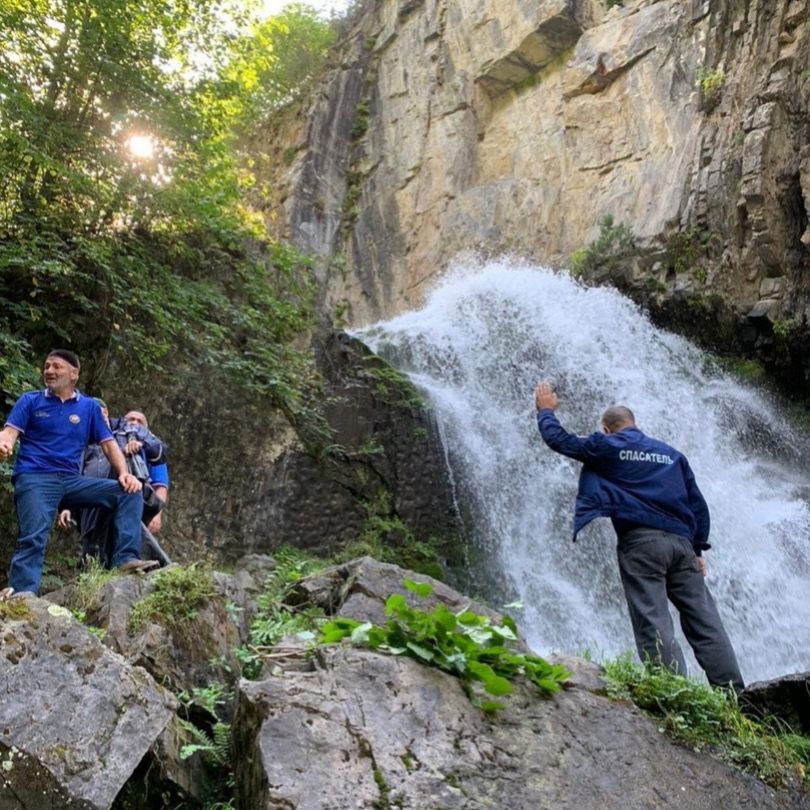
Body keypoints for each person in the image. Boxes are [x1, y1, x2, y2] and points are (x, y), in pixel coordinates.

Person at [534, 381, 744, 691]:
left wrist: (546, 411)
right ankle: (736, 694)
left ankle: (674, 694)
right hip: (682, 545)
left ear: (607, 429)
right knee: (704, 619)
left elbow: (559, 440)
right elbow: (697, 505)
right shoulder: (671, 455)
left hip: (642, 543)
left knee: (653, 619)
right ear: (635, 424)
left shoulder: (608, 446)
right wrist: (698, 550)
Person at [0, 350, 157, 599]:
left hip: (72, 481)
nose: (49, 371)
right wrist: (5, 444)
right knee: (33, 536)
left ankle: (125, 559)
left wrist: (124, 474)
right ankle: (23, 594)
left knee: (129, 491)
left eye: (57, 367)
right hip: (35, 477)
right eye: (47, 366)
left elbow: (109, 444)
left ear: (74, 374)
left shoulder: (89, 408)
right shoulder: (30, 401)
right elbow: (8, 432)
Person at [58, 401, 169, 567]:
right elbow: (72, 473)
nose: (135, 422)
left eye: (99, 412)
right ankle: (93, 577)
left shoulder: (128, 431)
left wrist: (141, 444)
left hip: (126, 489)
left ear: (107, 413)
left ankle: (139, 563)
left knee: (129, 527)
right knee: (93, 539)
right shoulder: (82, 440)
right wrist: (65, 505)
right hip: (90, 497)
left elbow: (160, 452)